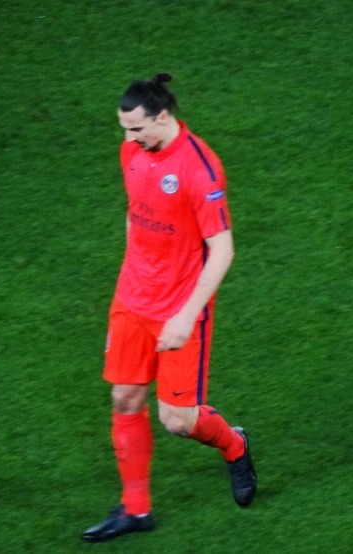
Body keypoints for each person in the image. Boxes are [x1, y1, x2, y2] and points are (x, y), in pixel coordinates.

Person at [82, 73, 257, 543]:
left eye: (136, 128)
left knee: (177, 421)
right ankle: (137, 510)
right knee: (124, 397)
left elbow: (222, 249)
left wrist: (184, 316)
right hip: (132, 300)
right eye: (123, 128)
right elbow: (135, 215)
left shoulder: (201, 168)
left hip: (181, 306)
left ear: (163, 117)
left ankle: (234, 444)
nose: (128, 138)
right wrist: (124, 292)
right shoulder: (132, 153)